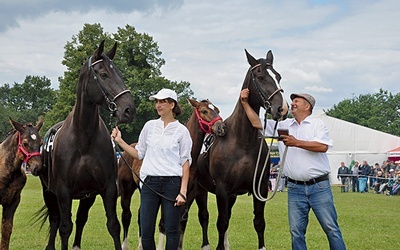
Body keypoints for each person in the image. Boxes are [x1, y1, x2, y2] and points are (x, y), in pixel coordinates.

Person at [262, 92, 346, 250]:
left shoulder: (317, 124)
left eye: (296, 101)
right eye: (292, 101)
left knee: (331, 229)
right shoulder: (283, 125)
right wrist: (244, 101)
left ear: (307, 106)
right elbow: (256, 123)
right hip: (294, 188)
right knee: (296, 231)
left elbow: (322, 146)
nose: (292, 103)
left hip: (319, 187)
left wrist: (296, 143)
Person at [111, 88, 192, 250]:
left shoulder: (182, 131)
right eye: (156, 101)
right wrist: (120, 141)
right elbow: (139, 153)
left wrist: (183, 191)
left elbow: (185, 163)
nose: (158, 105)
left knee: (172, 231)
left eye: (162, 101)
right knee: (146, 232)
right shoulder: (149, 126)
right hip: (149, 184)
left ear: (172, 104)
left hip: (172, 184)